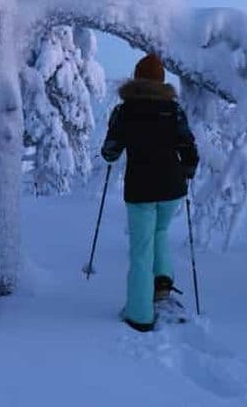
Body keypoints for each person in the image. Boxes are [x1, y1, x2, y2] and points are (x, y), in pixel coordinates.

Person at [101, 54, 199, 332]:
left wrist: (111, 151)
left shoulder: (124, 111)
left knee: (141, 250)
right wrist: (188, 170)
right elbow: (189, 149)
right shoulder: (174, 110)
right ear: (161, 81)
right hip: (172, 188)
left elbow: (110, 150)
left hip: (141, 189)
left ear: (137, 77)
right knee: (161, 233)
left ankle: (140, 315)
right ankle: (162, 285)